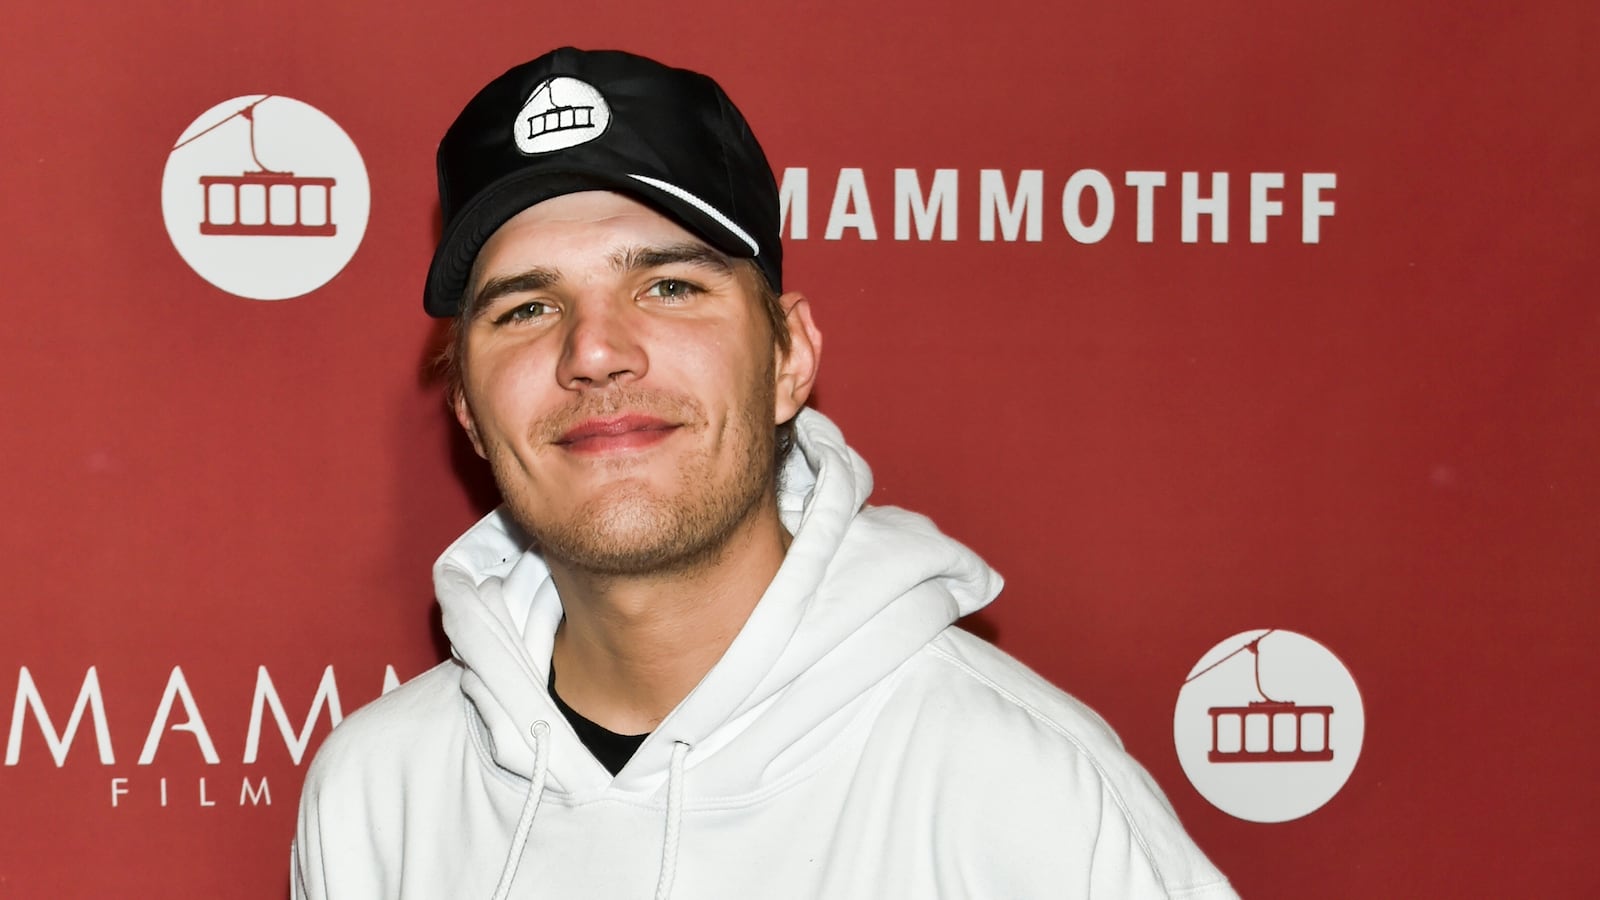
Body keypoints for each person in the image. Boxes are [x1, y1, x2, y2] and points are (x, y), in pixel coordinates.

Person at [292, 47, 1236, 900]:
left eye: (669, 286)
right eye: (527, 308)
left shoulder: (1028, 793)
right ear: (468, 406)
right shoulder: (376, 797)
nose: (596, 351)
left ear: (788, 358)